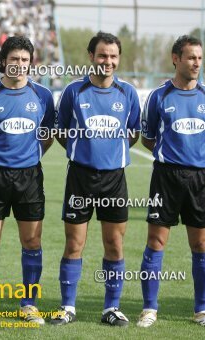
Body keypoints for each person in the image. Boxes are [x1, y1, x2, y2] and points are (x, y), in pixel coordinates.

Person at [50, 32, 140, 327]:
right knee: (74, 243)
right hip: (80, 177)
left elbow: (134, 132)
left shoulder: (128, 94)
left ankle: (111, 308)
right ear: (91, 56)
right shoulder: (74, 92)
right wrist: (84, 151)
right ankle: (67, 307)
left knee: (114, 244)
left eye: (113, 56)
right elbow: (61, 130)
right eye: (102, 55)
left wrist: (111, 153)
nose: (108, 61)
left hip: (115, 179)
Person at [0, 36, 55, 325]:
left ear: (31, 64)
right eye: (14, 59)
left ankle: (28, 304)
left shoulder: (42, 95)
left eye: (25, 60)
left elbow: (47, 135)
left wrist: (28, 157)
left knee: (32, 241)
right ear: (3, 61)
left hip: (29, 177)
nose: (19, 65)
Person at [137, 35, 205, 328]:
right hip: (166, 177)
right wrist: (170, 154)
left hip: (200, 178)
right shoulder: (159, 96)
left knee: (201, 244)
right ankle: (149, 309)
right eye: (191, 57)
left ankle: (201, 311)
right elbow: (147, 138)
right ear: (176, 59)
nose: (196, 63)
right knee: (156, 242)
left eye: (199, 58)